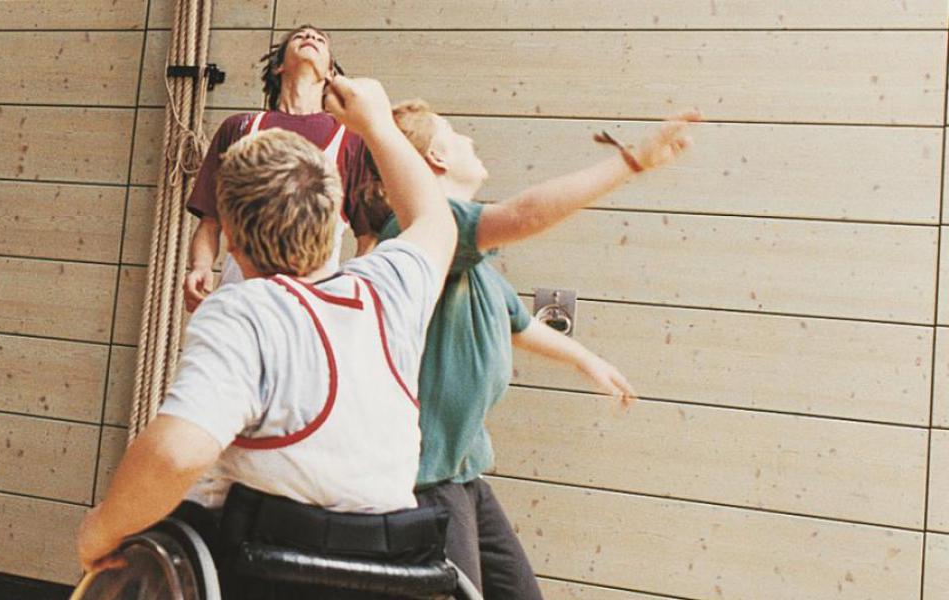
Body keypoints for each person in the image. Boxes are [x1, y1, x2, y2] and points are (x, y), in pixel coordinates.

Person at [77, 75, 457, 599]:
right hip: (393, 573)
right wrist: (376, 124)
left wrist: (101, 530)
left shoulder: (245, 310)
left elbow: (174, 455)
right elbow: (435, 219)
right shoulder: (387, 293)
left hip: (260, 572)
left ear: (229, 237)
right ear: (333, 219)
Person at [370, 99, 698, 598]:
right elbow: (524, 214)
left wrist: (589, 360)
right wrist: (632, 161)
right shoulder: (423, 231)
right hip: (425, 483)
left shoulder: (469, 258)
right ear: (436, 154)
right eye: (457, 134)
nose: (471, 142)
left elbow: (515, 323)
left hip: (465, 474)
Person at [182, 24, 379, 312]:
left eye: (320, 39)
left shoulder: (351, 140)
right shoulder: (239, 128)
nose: (310, 37)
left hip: (310, 312)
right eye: (299, 36)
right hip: (240, 304)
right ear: (277, 67)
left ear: (331, 75)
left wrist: (350, 300)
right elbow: (210, 222)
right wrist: (200, 267)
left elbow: (368, 238)